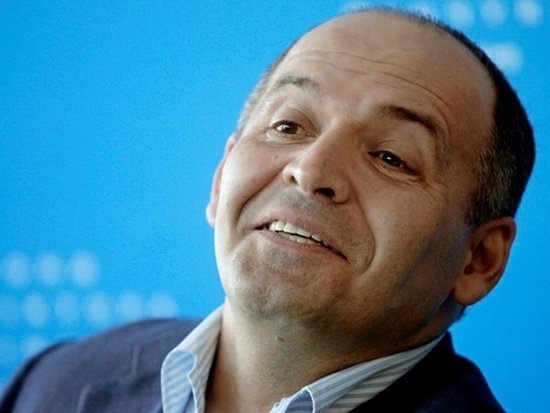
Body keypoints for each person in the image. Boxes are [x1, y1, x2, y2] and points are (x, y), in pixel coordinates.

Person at [0, 6, 534, 413]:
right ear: (220, 180)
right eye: (288, 126)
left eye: (391, 157)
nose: (311, 169)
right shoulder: (51, 384)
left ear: (479, 259)